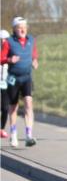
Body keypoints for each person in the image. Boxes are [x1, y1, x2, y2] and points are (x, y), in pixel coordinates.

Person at [7, 17, 38, 147]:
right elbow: (1, 57)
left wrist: (35, 60)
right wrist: (10, 59)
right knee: (13, 107)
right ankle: (13, 134)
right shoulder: (9, 42)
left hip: (26, 77)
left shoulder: (31, 40)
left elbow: (34, 54)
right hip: (13, 79)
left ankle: (28, 135)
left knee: (28, 104)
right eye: (19, 27)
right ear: (14, 29)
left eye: (24, 27)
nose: (23, 29)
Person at [0, 30, 10, 141]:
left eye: (5, 39)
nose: (3, 41)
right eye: (1, 39)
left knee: (5, 108)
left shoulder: (10, 53)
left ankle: (2, 128)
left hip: (6, 85)